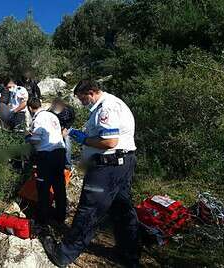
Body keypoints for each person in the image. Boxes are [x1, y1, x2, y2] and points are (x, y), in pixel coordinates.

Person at [42, 80, 140, 268]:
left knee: (89, 210)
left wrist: (85, 139)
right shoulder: (113, 103)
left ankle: (64, 254)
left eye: (82, 98)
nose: (81, 102)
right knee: (123, 209)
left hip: (107, 167)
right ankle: (129, 255)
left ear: (91, 92)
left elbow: (110, 141)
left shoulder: (106, 108)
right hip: (121, 164)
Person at [25, 97, 67, 225]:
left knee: (43, 187)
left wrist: (27, 137)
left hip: (47, 155)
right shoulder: (52, 116)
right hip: (60, 152)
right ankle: (61, 217)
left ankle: (42, 219)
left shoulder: (38, 119)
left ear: (30, 108)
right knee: (59, 186)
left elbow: (36, 140)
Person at [49, 98, 76, 169]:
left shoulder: (69, 109)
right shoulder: (51, 111)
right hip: (56, 127)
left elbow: (72, 119)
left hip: (66, 127)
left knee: (67, 143)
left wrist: (66, 129)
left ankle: (68, 164)